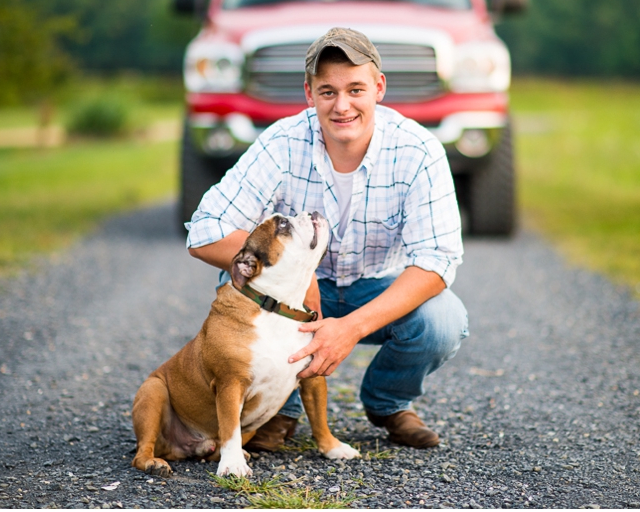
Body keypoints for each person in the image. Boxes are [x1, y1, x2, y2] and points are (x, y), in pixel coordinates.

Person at [185, 27, 469, 450]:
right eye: (328, 91)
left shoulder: (418, 150)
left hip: (373, 287)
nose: (342, 105)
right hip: (290, 293)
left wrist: (350, 329)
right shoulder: (281, 142)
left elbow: (438, 260)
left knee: (443, 321)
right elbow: (205, 230)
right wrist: (300, 275)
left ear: (379, 87)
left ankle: (388, 402)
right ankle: (278, 409)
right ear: (308, 92)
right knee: (240, 288)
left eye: (356, 89)